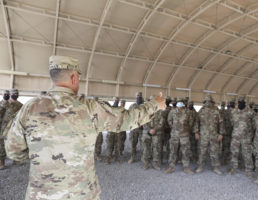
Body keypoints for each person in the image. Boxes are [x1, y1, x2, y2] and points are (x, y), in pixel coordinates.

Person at [4, 55, 166, 200]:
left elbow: (13, 150)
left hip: (40, 195)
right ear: (74, 77)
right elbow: (128, 119)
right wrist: (155, 104)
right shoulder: (88, 107)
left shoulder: (29, 108)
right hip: (81, 194)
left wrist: (40, 156)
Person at [194, 95, 225, 175]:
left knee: (214, 152)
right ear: (204, 102)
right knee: (202, 152)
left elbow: (221, 123)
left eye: (209, 101)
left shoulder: (216, 111)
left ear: (212, 102)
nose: (208, 103)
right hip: (203, 136)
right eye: (206, 101)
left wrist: (221, 134)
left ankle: (216, 167)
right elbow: (196, 122)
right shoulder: (201, 111)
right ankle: (200, 166)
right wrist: (196, 132)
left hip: (213, 136)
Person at [165, 98, 195, 174]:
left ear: (183, 104)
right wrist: (174, 128)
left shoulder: (188, 112)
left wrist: (185, 129)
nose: (179, 103)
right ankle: (171, 167)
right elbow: (169, 120)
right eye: (178, 102)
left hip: (184, 135)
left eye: (181, 102)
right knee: (173, 151)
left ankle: (186, 167)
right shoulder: (172, 111)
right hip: (174, 135)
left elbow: (191, 122)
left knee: (185, 152)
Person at [228, 96, 254, 178]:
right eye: (239, 102)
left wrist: (250, 134)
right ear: (237, 103)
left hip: (246, 137)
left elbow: (254, 125)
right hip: (235, 136)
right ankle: (233, 168)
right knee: (234, 153)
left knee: (247, 154)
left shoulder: (250, 112)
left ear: (245, 102)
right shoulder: (233, 112)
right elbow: (232, 123)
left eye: (242, 102)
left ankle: (249, 170)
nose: (240, 103)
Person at [141, 96, 165, 170]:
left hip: (156, 132)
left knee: (156, 148)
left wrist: (155, 129)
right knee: (146, 148)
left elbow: (162, 122)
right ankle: (146, 163)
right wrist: (149, 129)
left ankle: (155, 163)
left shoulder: (160, 111)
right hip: (146, 132)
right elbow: (142, 121)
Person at [128, 92, 144, 164]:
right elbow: (128, 116)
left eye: (140, 96)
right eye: (137, 96)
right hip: (134, 129)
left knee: (143, 144)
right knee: (133, 144)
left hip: (142, 129)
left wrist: (142, 124)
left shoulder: (145, 106)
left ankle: (143, 157)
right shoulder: (132, 106)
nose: (138, 97)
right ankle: (132, 157)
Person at [106, 97, 122, 164]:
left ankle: (116, 158)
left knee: (117, 145)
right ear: (113, 100)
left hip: (118, 131)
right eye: (115, 100)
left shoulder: (120, 109)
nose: (116, 101)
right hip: (111, 131)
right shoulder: (109, 109)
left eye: (117, 100)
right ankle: (108, 158)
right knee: (110, 145)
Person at [0, 90, 10, 169]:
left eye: (8, 94)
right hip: (2, 128)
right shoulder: (1, 104)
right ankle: (2, 162)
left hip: (9, 128)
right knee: (1, 145)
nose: (6, 95)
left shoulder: (12, 104)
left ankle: (16, 160)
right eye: (5, 94)